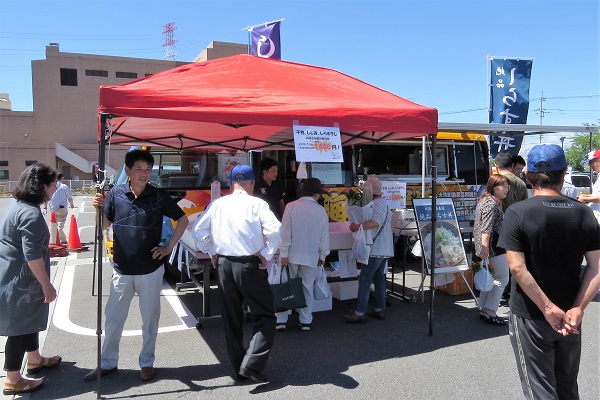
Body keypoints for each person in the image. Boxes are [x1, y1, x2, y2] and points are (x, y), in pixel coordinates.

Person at [498, 144, 600, 400]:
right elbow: (596, 266)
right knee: (567, 386)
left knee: (539, 389)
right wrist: (578, 308)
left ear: (528, 175)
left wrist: (546, 307)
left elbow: (517, 266)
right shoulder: (583, 213)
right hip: (570, 316)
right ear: (564, 174)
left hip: (531, 314)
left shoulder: (517, 212)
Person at [84, 150, 189, 382]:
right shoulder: (115, 193)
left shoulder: (158, 195)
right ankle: (107, 362)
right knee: (113, 318)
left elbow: (183, 220)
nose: (144, 173)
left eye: (148, 169)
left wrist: (169, 247)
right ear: (128, 171)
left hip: (151, 269)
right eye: (139, 169)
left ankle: (147, 362)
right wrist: (98, 209)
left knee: (150, 319)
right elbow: (104, 225)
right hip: (121, 268)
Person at [193, 164, 282, 383]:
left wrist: (212, 251)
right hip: (249, 265)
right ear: (252, 183)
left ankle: (239, 369)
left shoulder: (218, 204)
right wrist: (267, 254)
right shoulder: (258, 203)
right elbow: (276, 230)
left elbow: (198, 231)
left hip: (224, 264)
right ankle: (251, 363)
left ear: (232, 184)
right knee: (265, 316)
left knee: (231, 319)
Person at [1, 163, 62, 396]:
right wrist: (47, 284)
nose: (56, 187)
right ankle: (13, 379)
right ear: (42, 187)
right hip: (22, 281)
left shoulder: (16, 205)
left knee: (29, 320)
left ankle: (34, 359)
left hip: (14, 275)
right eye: (53, 184)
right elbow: (32, 255)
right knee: (18, 327)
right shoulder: (30, 213)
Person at [275, 177, 330, 331]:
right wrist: (323, 256)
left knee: (287, 285)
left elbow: (285, 233)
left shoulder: (291, 206)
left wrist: (284, 253)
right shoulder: (320, 211)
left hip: (291, 255)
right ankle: (305, 320)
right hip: (311, 255)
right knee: (307, 287)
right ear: (316, 195)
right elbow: (323, 237)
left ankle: (281, 319)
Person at [344, 177, 394, 323]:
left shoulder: (376, 204)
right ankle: (380, 309)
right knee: (379, 279)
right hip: (384, 247)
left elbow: (375, 222)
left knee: (365, 279)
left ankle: (360, 312)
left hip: (375, 248)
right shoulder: (384, 203)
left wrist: (356, 226)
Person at [473, 174, 510, 325]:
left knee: (489, 276)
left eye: (507, 186)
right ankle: (490, 310)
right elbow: (486, 227)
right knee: (501, 278)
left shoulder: (486, 200)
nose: (506, 189)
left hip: (487, 247)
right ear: (494, 188)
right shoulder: (491, 203)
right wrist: (485, 247)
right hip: (494, 247)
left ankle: (484, 308)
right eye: (504, 186)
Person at [44, 173, 74, 243]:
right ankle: (61, 240)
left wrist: (45, 207)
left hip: (52, 209)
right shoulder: (64, 186)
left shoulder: (50, 186)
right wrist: (71, 204)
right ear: (62, 178)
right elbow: (69, 197)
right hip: (61, 208)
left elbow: (46, 197)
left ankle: (57, 239)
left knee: (54, 224)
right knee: (60, 225)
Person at [578, 149, 600, 222]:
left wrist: (585, 199)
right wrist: (586, 196)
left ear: (598, 161)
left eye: (591, 162)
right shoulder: (598, 175)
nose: (590, 165)